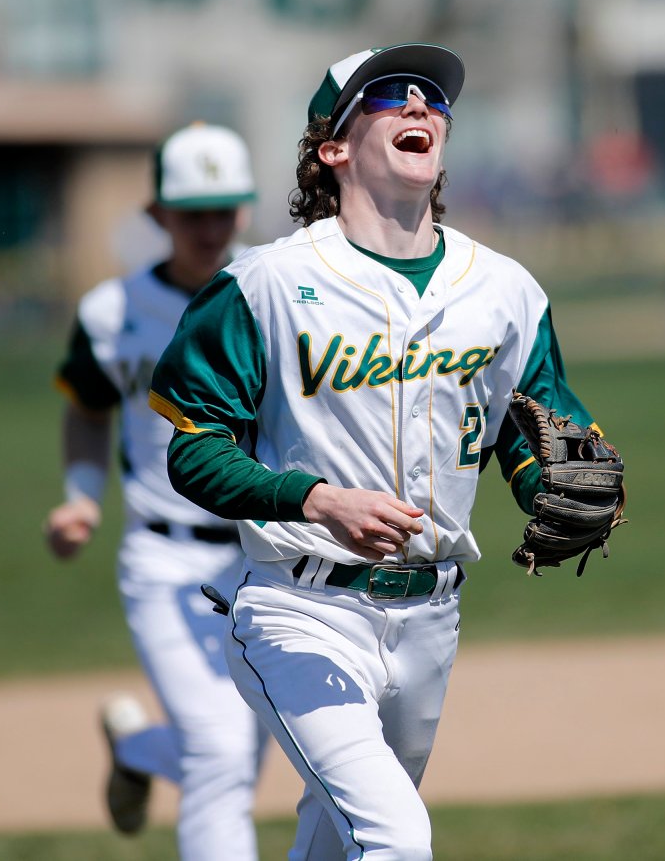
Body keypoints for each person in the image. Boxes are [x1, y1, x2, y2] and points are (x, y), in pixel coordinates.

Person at [149, 43, 614, 859]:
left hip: (433, 615)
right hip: (302, 611)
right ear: (333, 147)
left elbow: (533, 427)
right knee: (398, 840)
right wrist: (317, 499)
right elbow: (193, 453)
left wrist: (555, 484)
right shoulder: (261, 285)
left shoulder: (504, 289)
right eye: (389, 96)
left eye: (433, 99)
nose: (418, 107)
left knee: (336, 844)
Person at [43, 122, 270, 861]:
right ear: (157, 214)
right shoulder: (112, 310)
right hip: (164, 558)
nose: (209, 226)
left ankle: (137, 750)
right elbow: (86, 409)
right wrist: (82, 497)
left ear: (246, 209)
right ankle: (148, 753)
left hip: (265, 557)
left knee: (245, 755)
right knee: (220, 753)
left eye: (224, 209)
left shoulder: (275, 295)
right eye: (191, 210)